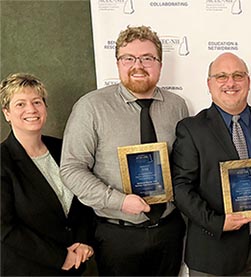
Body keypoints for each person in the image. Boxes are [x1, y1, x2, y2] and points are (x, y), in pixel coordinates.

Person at [60, 26, 188, 276]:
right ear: (118, 63)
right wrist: (119, 201)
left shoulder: (177, 106)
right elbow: (72, 168)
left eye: (147, 58)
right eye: (128, 58)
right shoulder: (92, 107)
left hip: (169, 231)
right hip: (117, 235)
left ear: (159, 64)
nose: (138, 65)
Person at [171, 52, 251, 276]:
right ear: (209, 84)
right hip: (211, 251)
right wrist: (218, 222)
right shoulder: (192, 129)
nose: (230, 83)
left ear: (248, 82)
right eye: (221, 76)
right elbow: (181, 187)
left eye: (237, 75)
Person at [1, 73, 94, 276]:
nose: (31, 109)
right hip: (29, 270)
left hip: (75, 267)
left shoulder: (64, 149)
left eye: (37, 102)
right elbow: (5, 229)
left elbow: (85, 200)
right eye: (20, 104)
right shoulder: (3, 161)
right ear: (6, 113)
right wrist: (61, 257)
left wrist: (85, 243)